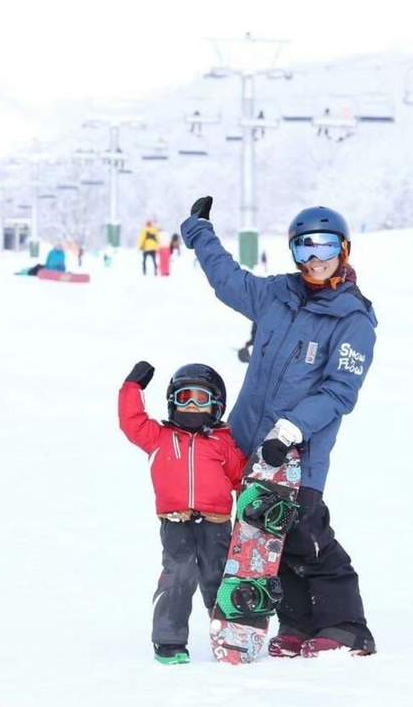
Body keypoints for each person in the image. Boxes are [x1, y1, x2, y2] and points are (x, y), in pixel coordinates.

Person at [182, 197, 379, 657]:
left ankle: (347, 627)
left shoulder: (353, 319)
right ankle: (295, 624)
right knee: (267, 539)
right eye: (303, 249)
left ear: (344, 250)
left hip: (298, 452)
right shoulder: (276, 295)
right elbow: (227, 280)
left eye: (324, 247)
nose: (314, 259)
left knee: (307, 532)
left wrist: (290, 430)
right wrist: (199, 232)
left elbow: (339, 391)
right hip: (251, 445)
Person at [119, 360, 244, 665]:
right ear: (172, 401)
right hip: (176, 522)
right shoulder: (158, 437)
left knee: (218, 578)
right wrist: (132, 387)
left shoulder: (223, 442)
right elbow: (131, 421)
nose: (190, 405)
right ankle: (169, 641)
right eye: (184, 396)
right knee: (179, 576)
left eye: (200, 398)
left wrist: (249, 514)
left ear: (216, 404)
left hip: (216, 524)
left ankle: (232, 636)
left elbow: (240, 477)